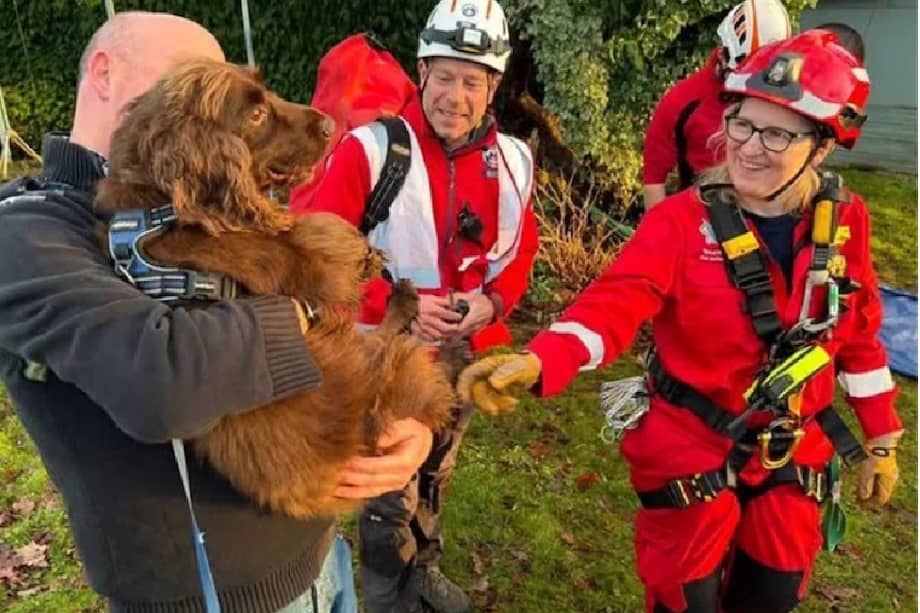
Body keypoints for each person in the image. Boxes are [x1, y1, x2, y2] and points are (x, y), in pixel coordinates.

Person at [0, 11, 433, 613]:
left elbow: (317, 346)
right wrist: (302, 305)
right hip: (207, 598)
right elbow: (162, 382)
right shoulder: (27, 231)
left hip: (320, 559)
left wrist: (410, 421)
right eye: (191, 74)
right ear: (103, 71)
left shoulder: (207, 206)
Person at [460, 31, 902, 613]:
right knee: (682, 600)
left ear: (821, 149)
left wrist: (882, 436)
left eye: (777, 134)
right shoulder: (680, 224)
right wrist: (543, 358)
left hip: (794, 451)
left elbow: (857, 327)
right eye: (742, 123)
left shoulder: (845, 220)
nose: (747, 146)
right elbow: (615, 302)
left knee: (772, 595)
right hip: (692, 446)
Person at [293, 1, 538, 610]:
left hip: (460, 353)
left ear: (493, 87)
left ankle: (421, 567)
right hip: (384, 353)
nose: (456, 96)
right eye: (446, 76)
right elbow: (316, 253)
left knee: (437, 466)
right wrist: (399, 305)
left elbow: (521, 248)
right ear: (421, 72)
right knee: (388, 483)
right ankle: (386, 593)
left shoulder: (512, 161)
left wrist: (494, 301)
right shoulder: (371, 151)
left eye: (472, 81)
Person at [643, 0, 791, 209]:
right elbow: (654, 177)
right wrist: (657, 235)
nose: (747, 87)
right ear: (725, 53)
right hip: (701, 218)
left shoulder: (784, 100)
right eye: (741, 75)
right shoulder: (683, 100)